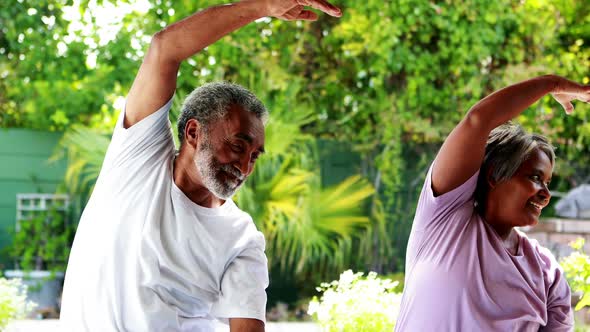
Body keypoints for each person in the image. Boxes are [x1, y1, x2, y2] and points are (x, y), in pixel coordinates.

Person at [60, 1, 342, 331]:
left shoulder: (242, 239)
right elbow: (164, 48)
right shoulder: (137, 159)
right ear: (194, 132)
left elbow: (246, 326)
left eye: (254, 156)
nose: (245, 166)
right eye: (238, 146)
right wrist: (264, 6)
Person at [396, 75, 589, 331]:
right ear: (495, 175)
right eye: (534, 178)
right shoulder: (444, 222)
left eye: (547, 183)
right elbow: (478, 120)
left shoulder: (546, 272)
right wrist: (551, 84)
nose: (546, 194)